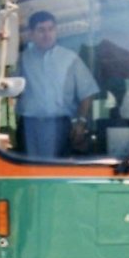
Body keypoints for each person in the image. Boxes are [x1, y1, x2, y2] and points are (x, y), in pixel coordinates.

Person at [16, 10, 99, 157]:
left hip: (61, 126)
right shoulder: (21, 60)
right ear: (31, 34)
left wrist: (80, 122)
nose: (47, 35)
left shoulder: (70, 59)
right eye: (41, 30)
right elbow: (9, 89)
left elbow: (87, 92)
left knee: (55, 168)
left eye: (51, 29)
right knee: (28, 169)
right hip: (29, 126)